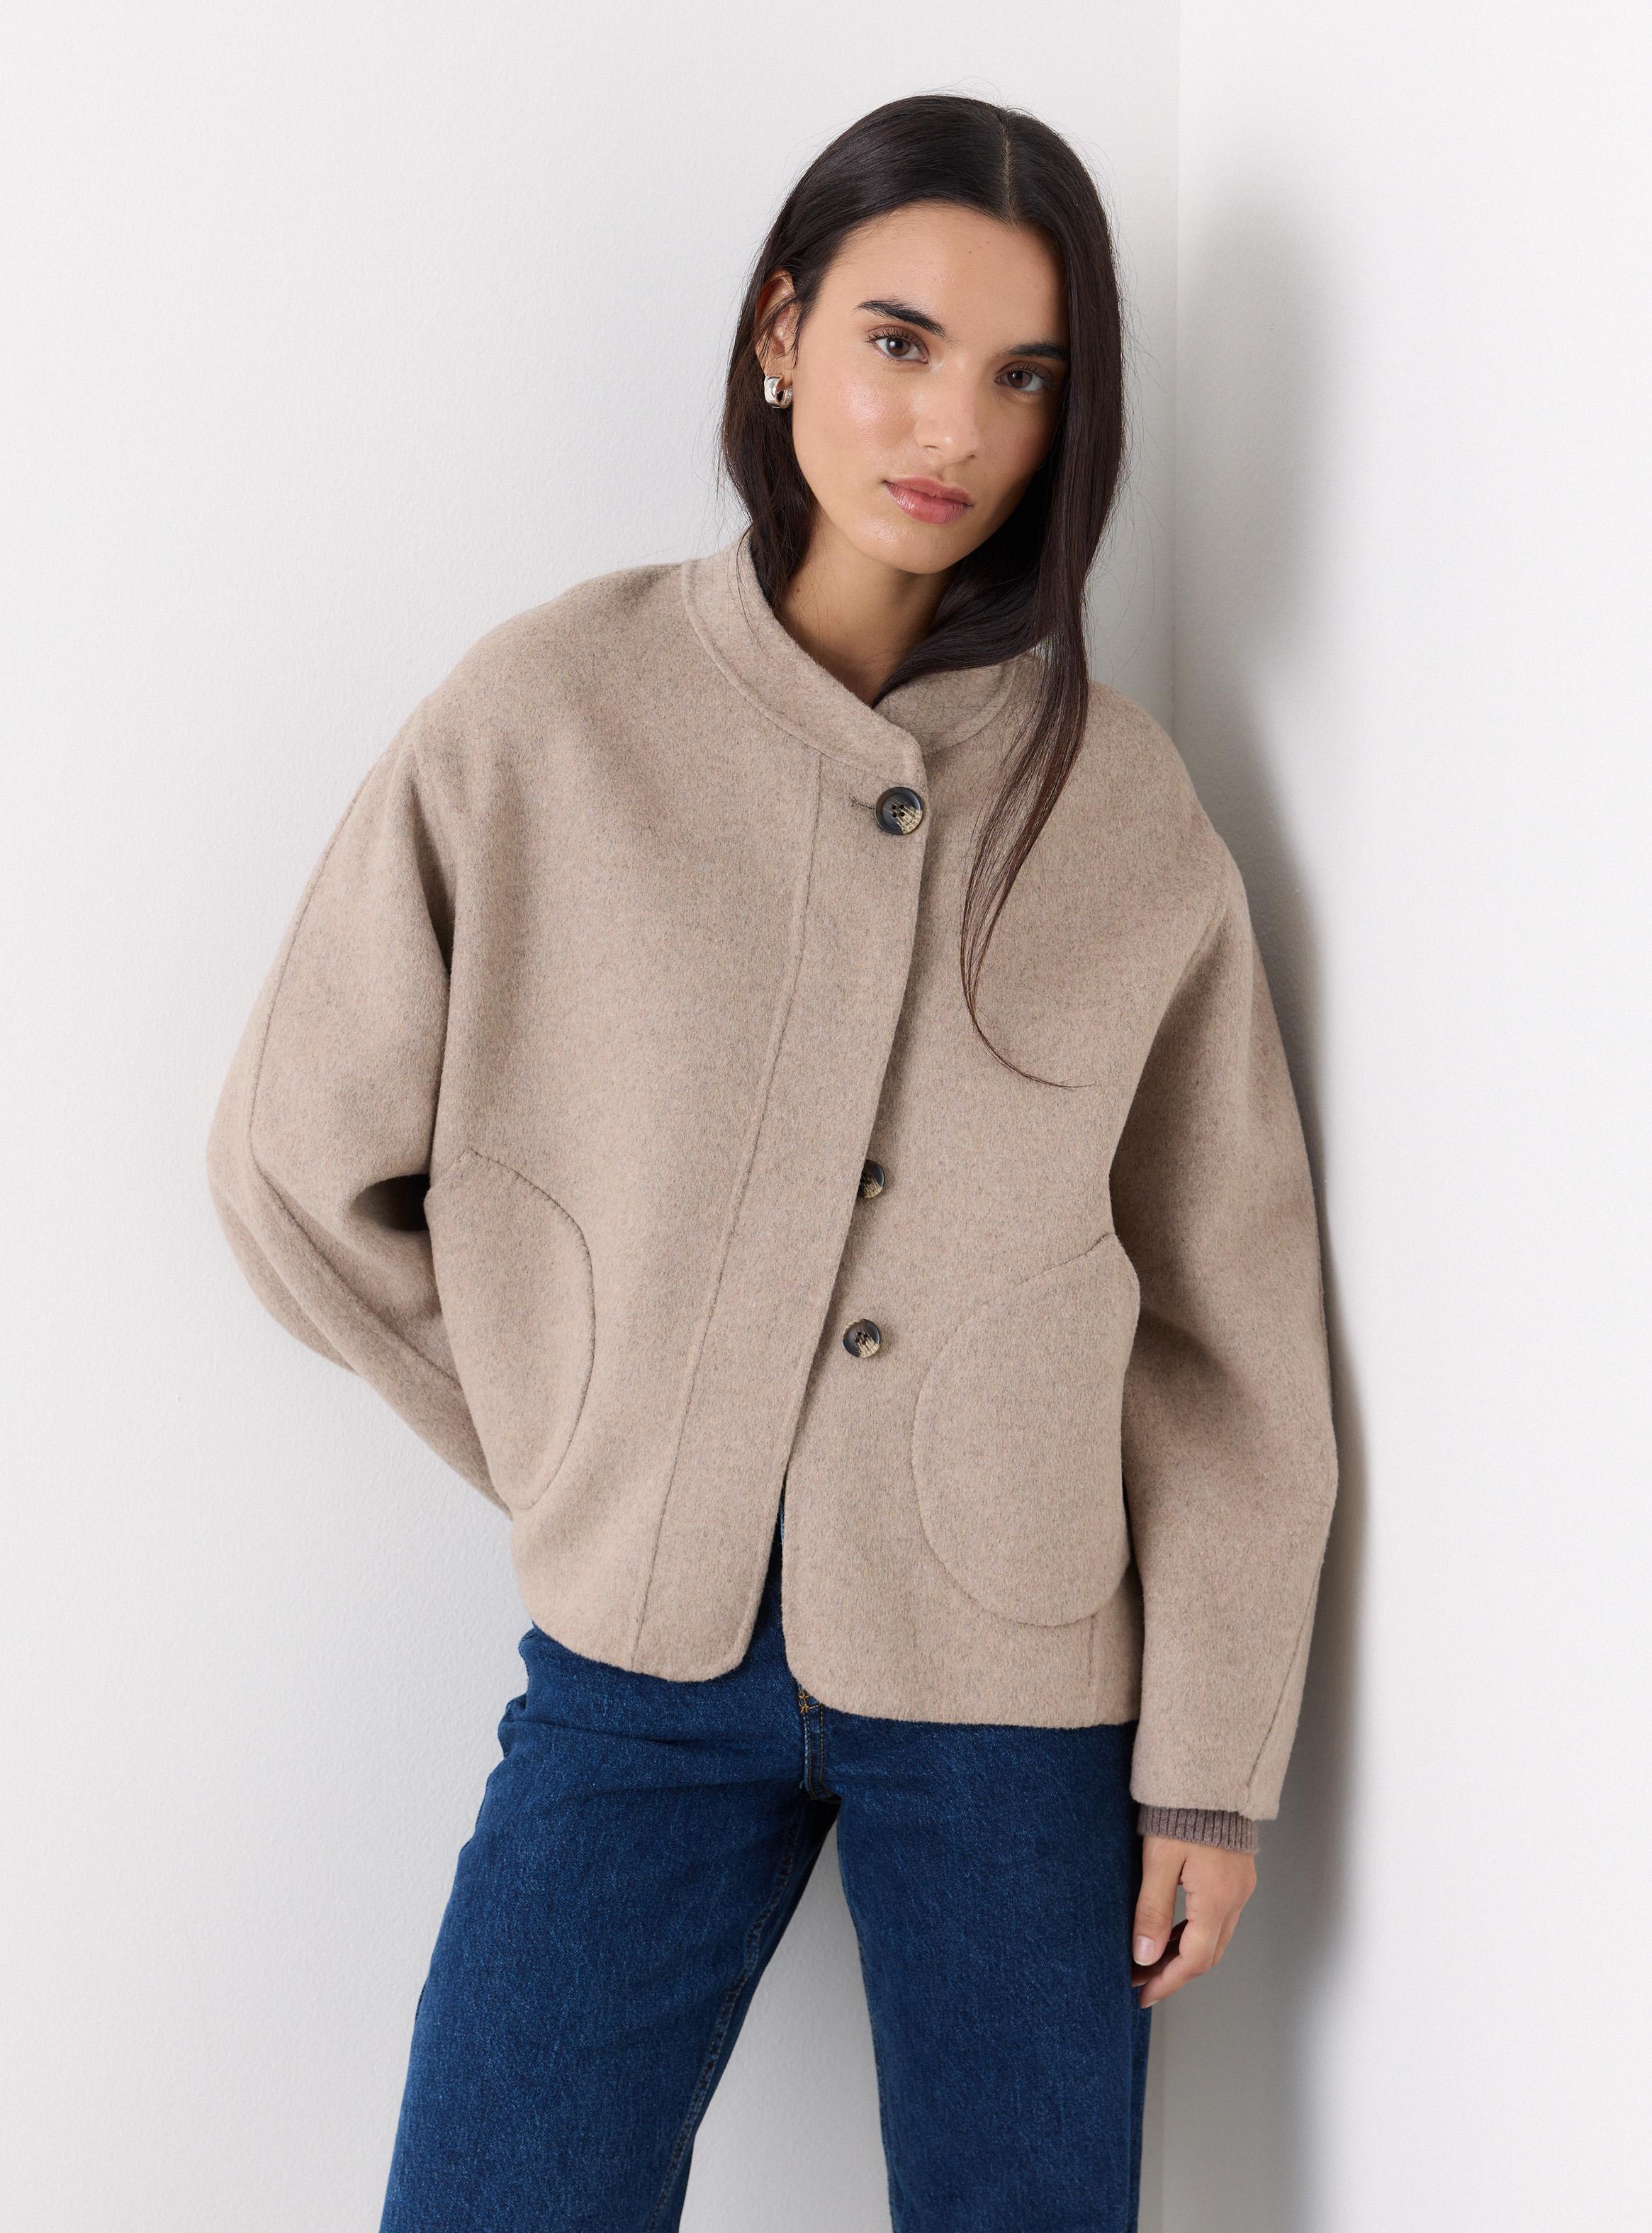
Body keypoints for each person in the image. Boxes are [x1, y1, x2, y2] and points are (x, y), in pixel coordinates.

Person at [206, 91, 1337, 2233]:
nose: (953, 428)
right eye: (900, 342)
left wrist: (1210, 1765)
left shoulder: (1124, 809)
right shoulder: (549, 715)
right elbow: (297, 1166)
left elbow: (1229, 1335)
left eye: (1025, 377)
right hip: (636, 1682)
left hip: (1022, 1704)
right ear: (781, 332)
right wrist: (604, 1456)